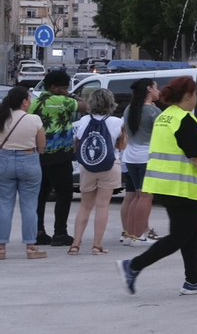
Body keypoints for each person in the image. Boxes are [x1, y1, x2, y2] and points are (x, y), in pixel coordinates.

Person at [119, 76, 197, 295]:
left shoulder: (165, 117)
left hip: (167, 185)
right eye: (195, 94)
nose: (196, 98)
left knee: (191, 233)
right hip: (180, 188)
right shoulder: (184, 121)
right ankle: (133, 266)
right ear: (188, 96)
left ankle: (193, 280)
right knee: (180, 236)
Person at [68, 88, 125, 255]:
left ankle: (75, 244)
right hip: (109, 165)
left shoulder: (85, 120)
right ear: (110, 103)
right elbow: (122, 146)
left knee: (85, 206)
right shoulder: (116, 122)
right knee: (102, 206)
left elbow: (77, 144)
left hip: (88, 166)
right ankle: (96, 245)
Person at [31, 69, 80, 246]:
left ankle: (38, 232)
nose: (66, 90)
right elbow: (86, 107)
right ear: (54, 87)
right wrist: (72, 95)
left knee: (40, 195)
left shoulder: (34, 102)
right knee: (64, 194)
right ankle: (60, 233)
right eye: (64, 88)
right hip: (60, 156)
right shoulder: (63, 100)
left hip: (38, 155)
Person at [0, 85, 46, 259]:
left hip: (4, 161)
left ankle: (1, 247)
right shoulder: (34, 120)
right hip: (28, 160)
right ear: (25, 101)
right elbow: (41, 145)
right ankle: (30, 247)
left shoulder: (2, 117)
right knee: (29, 206)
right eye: (29, 98)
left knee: (4, 205)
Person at [117, 78, 160, 246]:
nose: (159, 91)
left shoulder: (129, 109)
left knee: (136, 196)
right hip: (147, 158)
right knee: (145, 197)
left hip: (131, 157)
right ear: (149, 89)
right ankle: (139, 235)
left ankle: (130, 234)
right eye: (156, 88)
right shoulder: (153, 112)